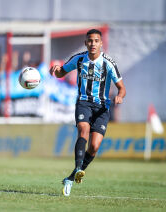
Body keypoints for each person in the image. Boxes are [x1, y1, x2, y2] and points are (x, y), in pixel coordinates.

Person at [50, 29, 126, 197]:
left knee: (94, 146)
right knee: (83, 130)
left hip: (102, 107)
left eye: (96, 41)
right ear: (86, 43)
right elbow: (62, 71)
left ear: (101, 43)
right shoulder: (78, 59)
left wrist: (119, 97)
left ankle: (71, 177)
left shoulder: (108, 63)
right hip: (83, 102)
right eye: (90, 41)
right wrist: (56, 70)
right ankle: (78, 167)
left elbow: (122, 88)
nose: (93, 44)